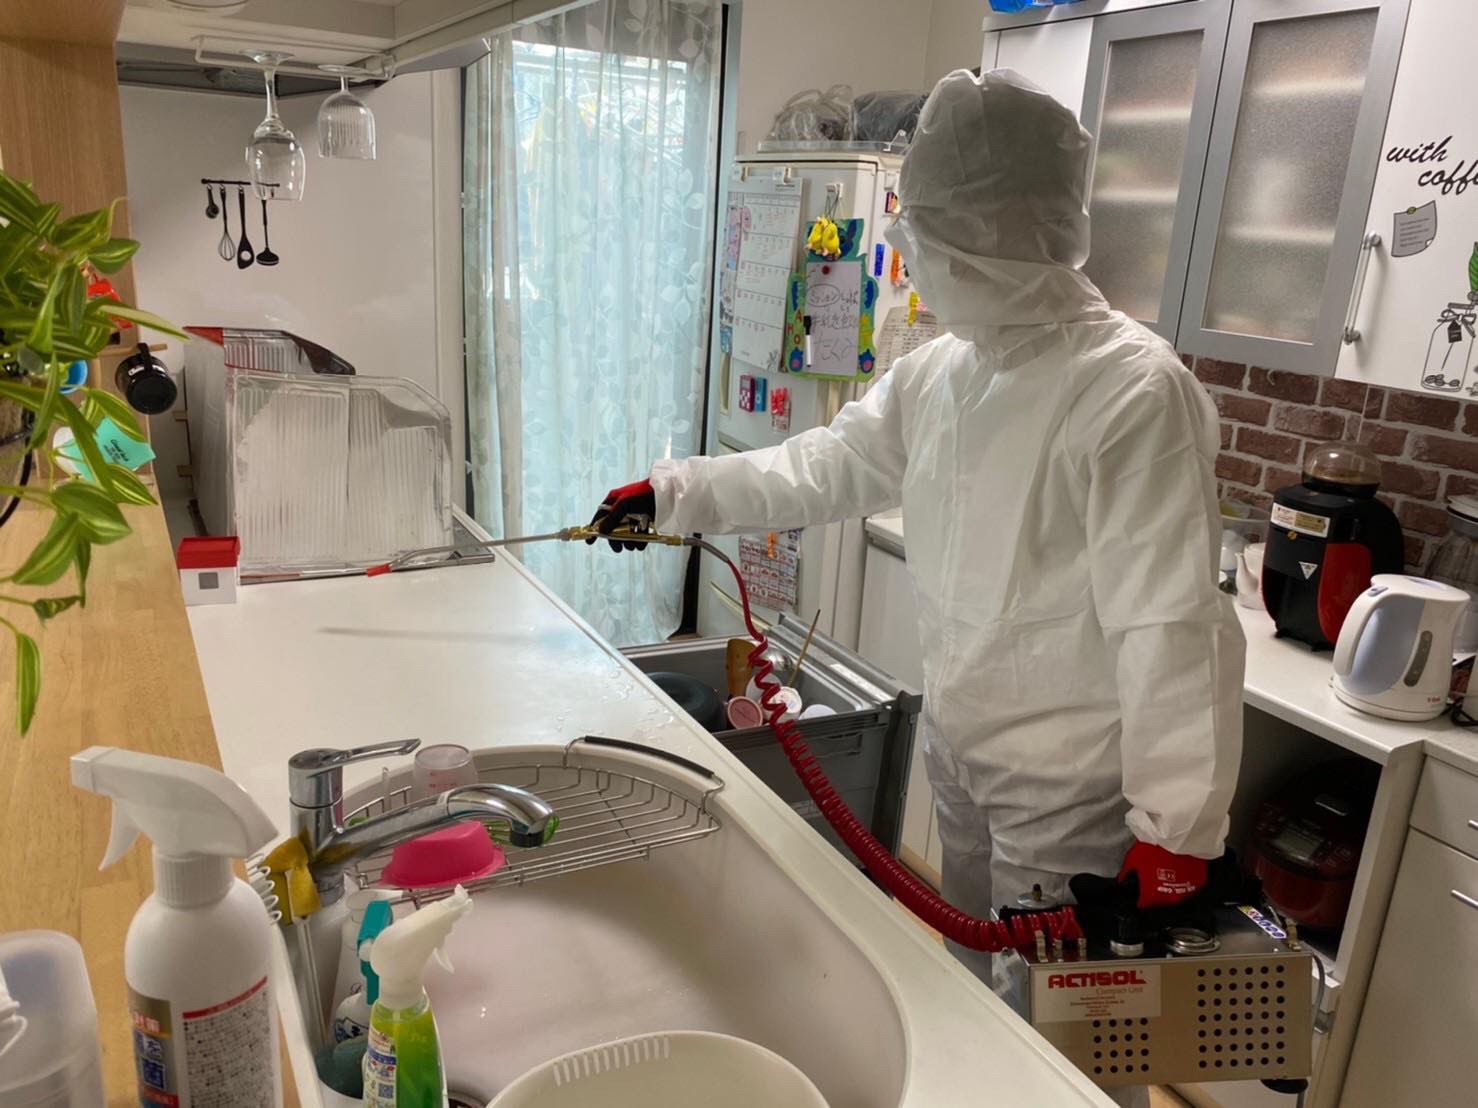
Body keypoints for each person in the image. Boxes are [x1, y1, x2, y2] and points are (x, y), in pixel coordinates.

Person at [592, 66, 1244, 1084]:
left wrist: (1176, 828)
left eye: (926, 237)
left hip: (1070, 794)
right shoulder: (944, 372)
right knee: (969, 1004)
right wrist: (676, 492)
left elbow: (1170, 626)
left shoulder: (1129, 391)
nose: (910, 257)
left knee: (1065, 1048)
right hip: (963, 753)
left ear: (987, 240)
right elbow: (824, 464)